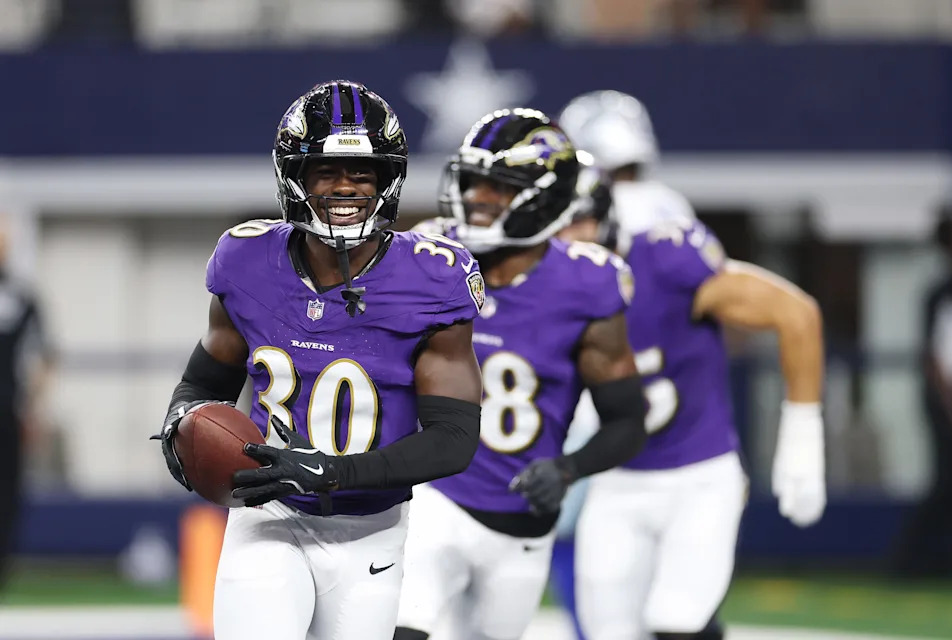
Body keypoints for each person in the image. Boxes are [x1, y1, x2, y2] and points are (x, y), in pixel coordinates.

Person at [152, 80, 484, 640]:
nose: (345, 187)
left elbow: (454, 437)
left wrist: (335, 472)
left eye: (362, 173)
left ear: (389, 178)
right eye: (326, 171)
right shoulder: (245, 258)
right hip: (269, 514)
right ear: (295, 177)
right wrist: (180, 421)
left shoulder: (433, 275)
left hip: (371, 526)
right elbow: (206, 376)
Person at [558, 90, 827, 640]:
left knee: (676, 622)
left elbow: (795, 313)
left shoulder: (663, 246)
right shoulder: (548, 264)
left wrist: (803, 438)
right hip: (616, 474)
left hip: (694, 470)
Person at [394, 108, 648, 640]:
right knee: (405, 626)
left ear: (546, 199)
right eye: (473, 181)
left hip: (521, 519)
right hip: (431, 494)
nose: (477, 198)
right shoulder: (431, 254)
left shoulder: (589, 284)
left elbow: (627, 420)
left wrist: (568, 469)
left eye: (498, 187)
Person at [892, 212, 952, 579]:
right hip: (945, 406)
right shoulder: (940, 293)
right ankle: (908, 561)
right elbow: (934, 356)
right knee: (946, 482)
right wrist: (951, 404)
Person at [0, 228, 54, 589]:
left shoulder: (21, 296)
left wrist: (32, 407)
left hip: (8, 409)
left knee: (7, 489)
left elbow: (45, 355)